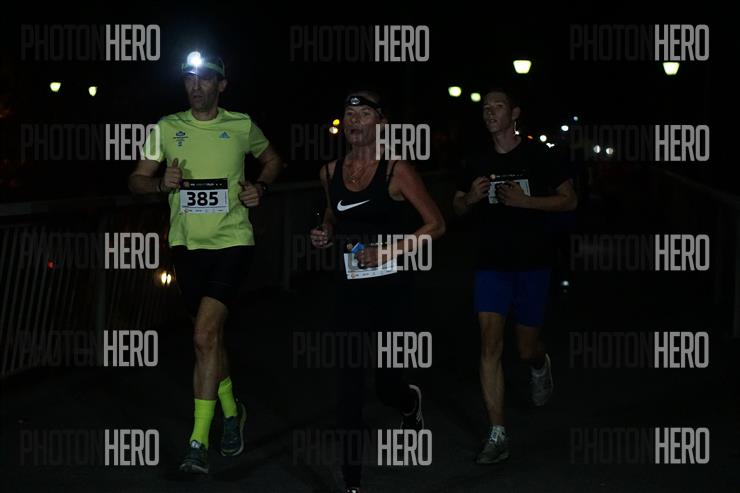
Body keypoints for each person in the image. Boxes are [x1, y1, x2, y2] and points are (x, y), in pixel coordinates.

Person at [128, 51, 286, 474]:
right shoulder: (166, 127)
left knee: (202, 335)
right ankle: (233, 412)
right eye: (189, 79)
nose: (195, 87)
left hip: (233, 242)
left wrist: (260, 188)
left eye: (205, 79)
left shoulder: (241, 125)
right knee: (209, 339)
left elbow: (273, 160)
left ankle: (197, 442)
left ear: (222, 85)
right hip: (187, 246)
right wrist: (160, 183)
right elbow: (136, 179)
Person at [310, 90, 445, 493]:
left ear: (381, 123)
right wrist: (325, 230)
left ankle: (408, 401)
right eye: (349, 114)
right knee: (348, 385)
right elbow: (334, 212)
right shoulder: (329, 171)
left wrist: (387, 251)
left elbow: (436, 224)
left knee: (386, 384)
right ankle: (352, 478)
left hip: (392, 290)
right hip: (349, 291)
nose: (354, 120)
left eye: (364, 113)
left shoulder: (396, 171)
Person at [453, 87, 577, 464]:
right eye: (485, 107)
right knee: (489, 345)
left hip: (532, 264)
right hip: (491, 264)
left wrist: (526, 202)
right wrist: (470, 199)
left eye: (498, 106)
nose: (490, 112)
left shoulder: (539, 155)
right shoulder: (475, 159)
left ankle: (540, 364)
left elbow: (569, 199)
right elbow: (456, 206)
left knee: (525, 349)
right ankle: (498, 433)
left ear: (515, 113)